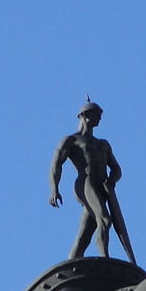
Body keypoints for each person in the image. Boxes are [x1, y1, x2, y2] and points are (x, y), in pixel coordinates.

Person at [49, 100, 136, 264]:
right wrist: (54, 189)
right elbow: (56, 165)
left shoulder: (103, 144)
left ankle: (72, 261)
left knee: (86, 232)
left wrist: (111, 181)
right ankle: (105, 259)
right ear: (84, 115)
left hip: (102, 186)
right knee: (104, 219)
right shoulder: (72, 141)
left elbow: (116, 169)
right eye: (97, 115)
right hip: (85, 183)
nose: (100, 119)